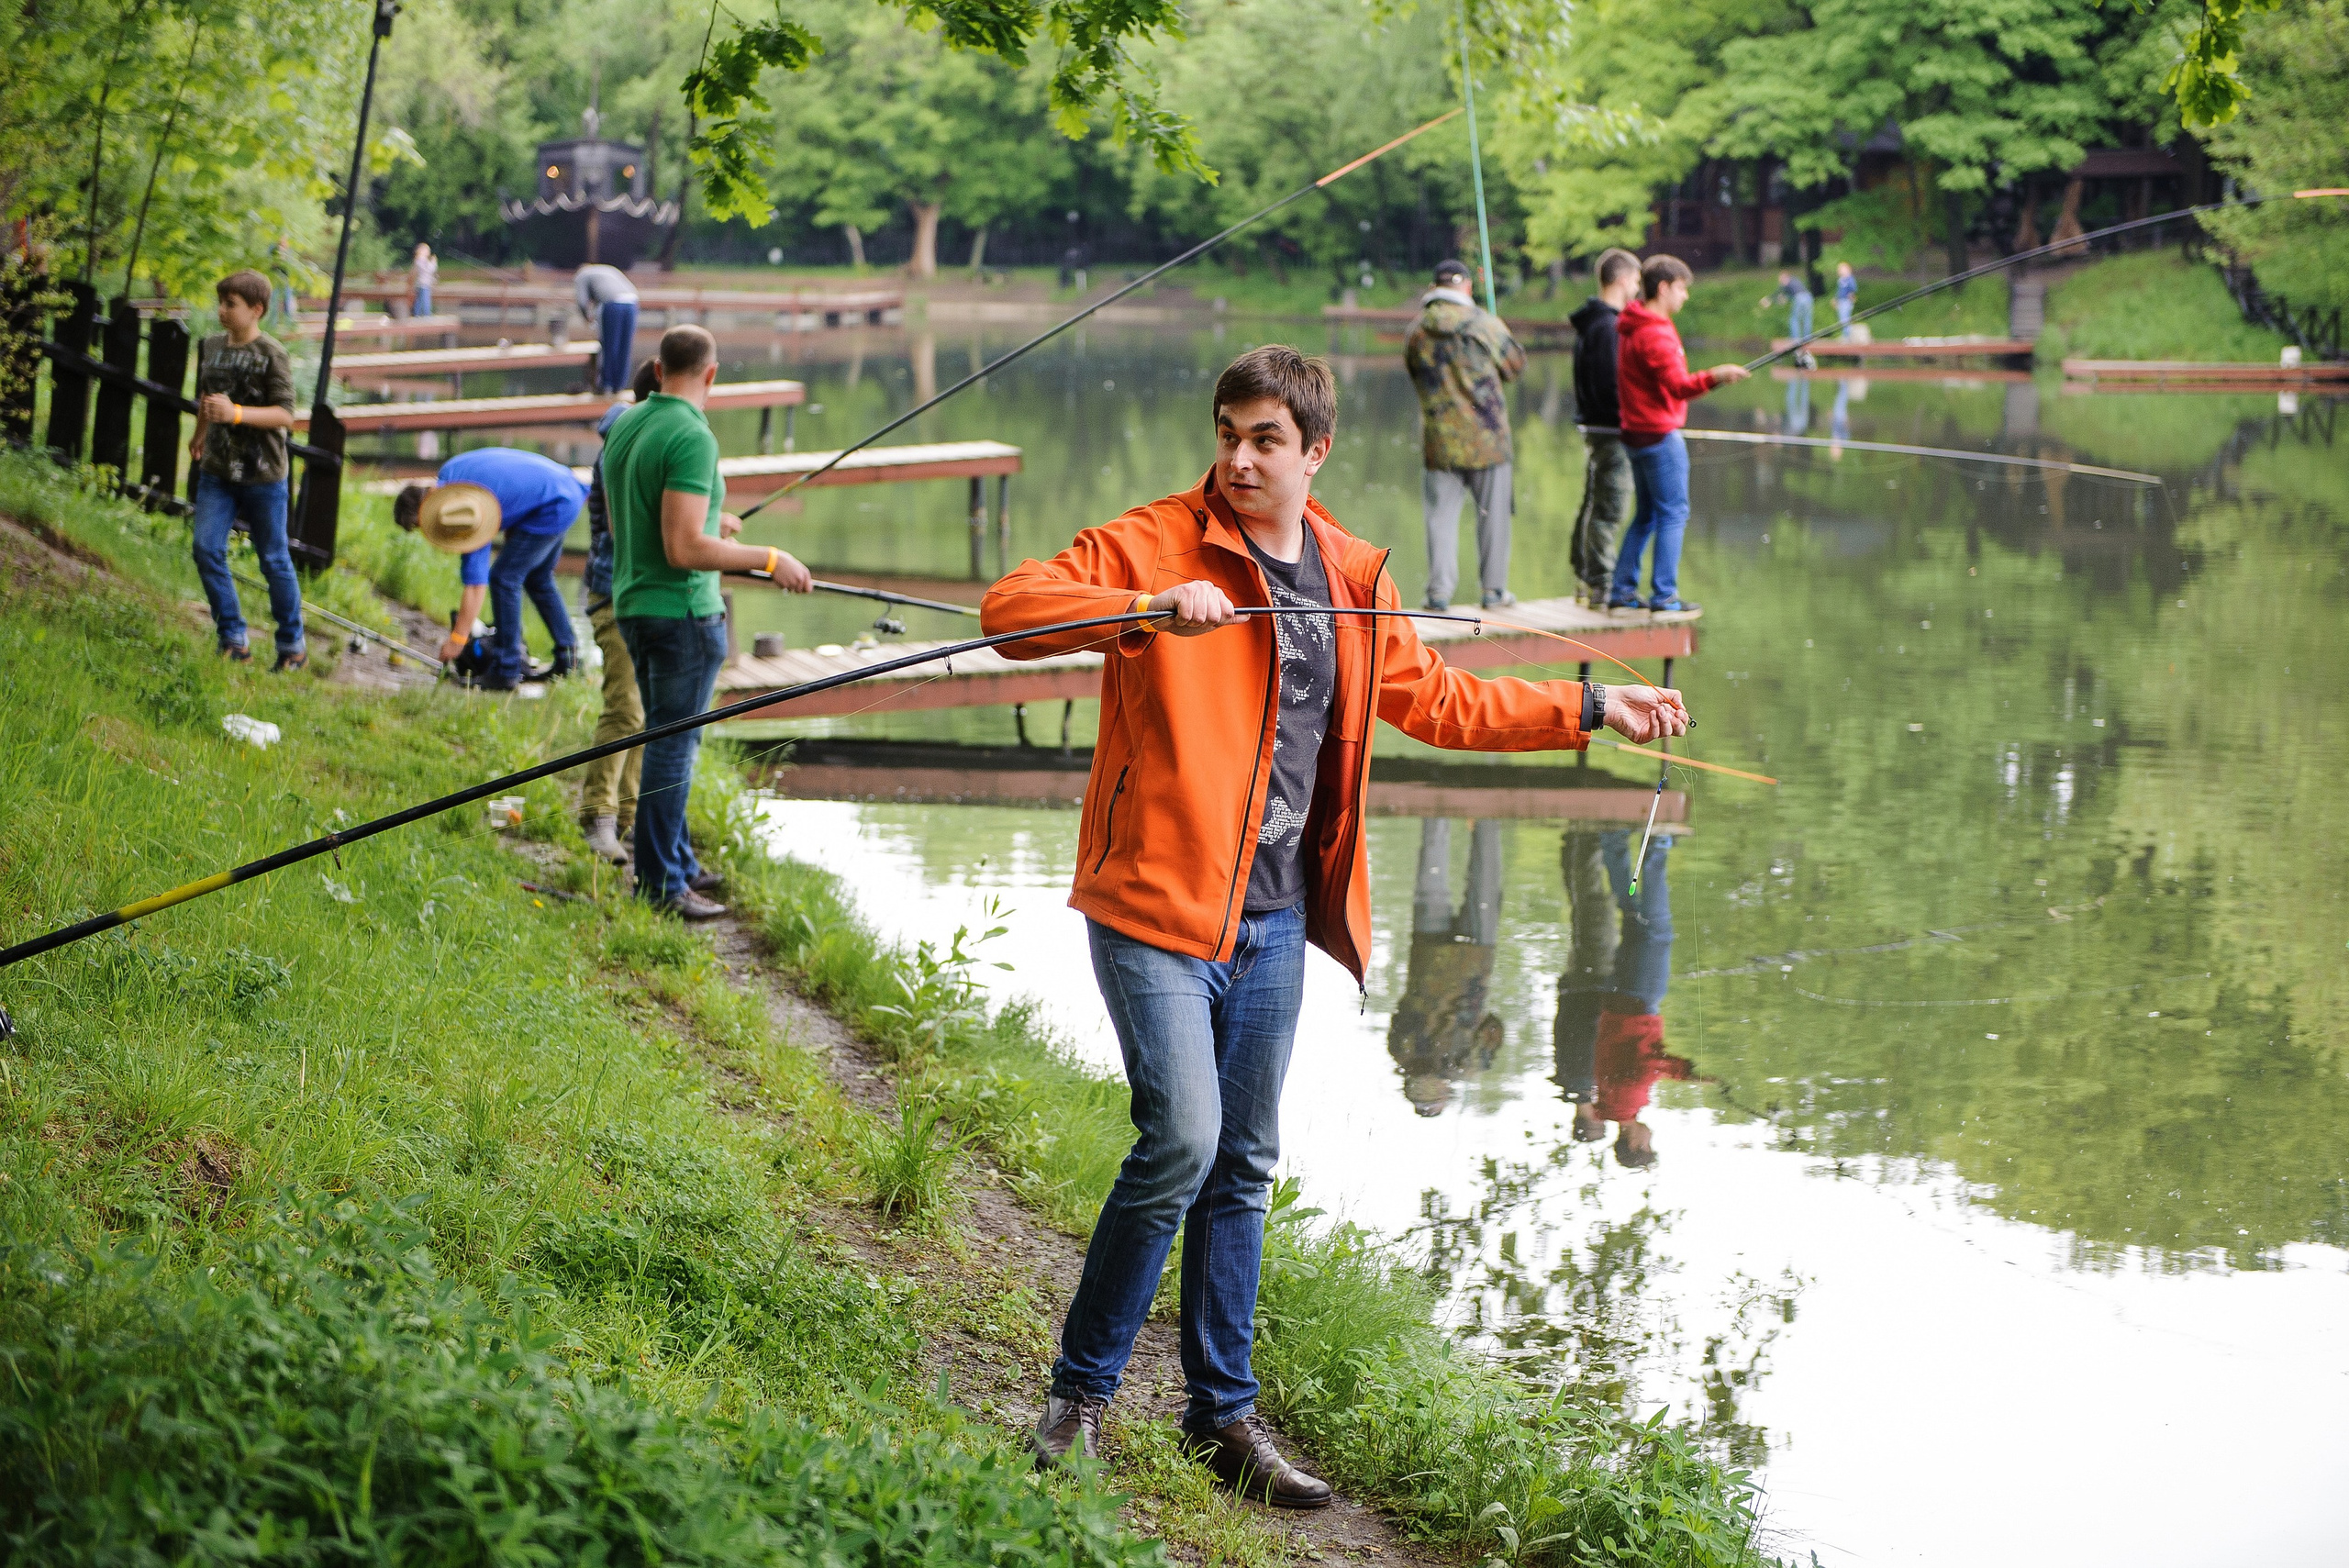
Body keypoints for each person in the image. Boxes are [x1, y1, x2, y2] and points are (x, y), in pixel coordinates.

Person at [981, 344, 1690, 1500]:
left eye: (1265, 439)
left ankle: (1222, 1418)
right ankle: (1077, 1396)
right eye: (1226, 433)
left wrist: (1596, 704)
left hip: (1271, 922)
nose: (1239, 458)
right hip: (1155, 905)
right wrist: (1145, 608)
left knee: (1244, 1163)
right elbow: (1011, 610)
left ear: (1316, 451)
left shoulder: (1352, 573)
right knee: (1181, 1141)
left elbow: (1444, 701)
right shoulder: (1157, 541)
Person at [603, 324, 812, 917]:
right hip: (681, 616)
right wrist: (771, 559)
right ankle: (661, 885)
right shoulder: (692, 435)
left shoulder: (629, 422)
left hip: (635, 605)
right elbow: (683, 551)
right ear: (712, 374)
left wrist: (709, 518)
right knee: (673, 748)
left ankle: (677, 862)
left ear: (660, 367)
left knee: (672, 740)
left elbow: (629, 524)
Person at [1609, 255, 1750, 617]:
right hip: (1658, 436)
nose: (1685, 296)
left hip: (1635, 433)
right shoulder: (1655, 331)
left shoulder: (1632, 325)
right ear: (1664, 287)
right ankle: (1664, 596)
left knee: (1647, 515)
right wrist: (1717, 375)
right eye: (1682, 288)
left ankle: (1622, 590)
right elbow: (1679, 387)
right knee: (1674, 513)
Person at [189, 270, 305, 670]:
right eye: (220, 302)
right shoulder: (211, 347)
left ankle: (292, 647)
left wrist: (236, 414)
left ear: (257, 310)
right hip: (217, 471)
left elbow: (285, 415)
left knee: (273, 560)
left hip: (264, 475)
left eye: (231, 304)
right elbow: (207, 396)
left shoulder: (272, 354)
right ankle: (233, 638)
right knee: (205, 549)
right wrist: (200, 433)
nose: (222, 311)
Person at [395, 448, 586, 691]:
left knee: (504, 578)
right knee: (538, 579)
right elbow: (504, 486)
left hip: (552, 505)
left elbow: (476, 586)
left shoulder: (462, 513)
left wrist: (457, 640)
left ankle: (507, 669)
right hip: (562, 487)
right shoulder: (451, 475)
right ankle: (568, 660)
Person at [578, 358, 662, 865]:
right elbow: (622, 524)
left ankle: (626, 821)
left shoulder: (639, 437)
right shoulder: (622, 444)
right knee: (626, 709)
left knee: (649, 715)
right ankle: (597, 816)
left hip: (645, 590)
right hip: (616, 591)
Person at [1403, 259, 1525, 611]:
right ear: (1467, 288)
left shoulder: (1416, 331)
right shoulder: (1485, 324)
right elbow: (1516, 368)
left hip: (1440, 442)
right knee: (1494, 518)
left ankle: (1438, 593)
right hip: (1489, 442)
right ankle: (1493, 592)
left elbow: (1415, 375)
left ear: (1434, 286)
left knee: (1440, 518)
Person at [1387, 819, 1505, 1116]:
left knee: (1484, 866)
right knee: (1438, 856)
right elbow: (1495, 1026)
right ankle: (1452, 795)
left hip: (1467, 958)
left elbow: (1494, 1025)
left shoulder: (1467, 1064)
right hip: (1437, 955)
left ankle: (1473, 799)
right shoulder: (1402, 1051)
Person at [1590, 829, 1691, 1169]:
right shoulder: (1606, 1102)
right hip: (1619, 1003)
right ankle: (1613, 843)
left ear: (1634, 1143)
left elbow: (1645, 1070)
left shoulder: (1624, 1105)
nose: (1651, 1139)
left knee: (1658, 930)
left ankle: (1658, 846)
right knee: (1633, 916)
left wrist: (1683, 1072)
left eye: (1648, 1146)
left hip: (1638, 1003)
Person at [1568, 248, 1641, 607]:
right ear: (1623, 279)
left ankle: (1585, 575)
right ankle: (1603, 582)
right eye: (1637, 281)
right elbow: (1611, 384)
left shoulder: (1590, 324)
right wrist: (1632, 417)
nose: (1638, 288)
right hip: (1612, 431)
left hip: (1594, 428)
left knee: (1593, 504)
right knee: (1610, 507)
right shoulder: (1609, 326)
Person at [575, 262, 640, 395]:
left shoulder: (581, 275)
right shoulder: (608, 269)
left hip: (612, 304)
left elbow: (582, 301)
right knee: (625, 346)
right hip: (632, 302)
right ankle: (619, 385)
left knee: (608, 346)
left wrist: (587, 317)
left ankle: (606, 384)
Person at [1760, 268, 1815, 369]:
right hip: (1808, 297)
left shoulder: (1788, 282)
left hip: (1800, 299)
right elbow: (1787, 295)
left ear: (1785, 277)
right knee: (1807, 320)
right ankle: (1807, 338)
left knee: (1794, 320)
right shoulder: (1795, 281)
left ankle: (1795, 339)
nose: (1781, 281)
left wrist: (1768, 299)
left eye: (1781, 279)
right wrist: (1783, 299)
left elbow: (1779, 292)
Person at [410, 241, 438, 318]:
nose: (429, 252)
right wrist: (433, 262)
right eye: (427, 250)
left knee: (420, 299)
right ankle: (426, 314)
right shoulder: (420, 260)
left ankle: (417, 313)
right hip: (423, 284)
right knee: (425, 299)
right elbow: (429, 269)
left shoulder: (421, 260)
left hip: (423, 283)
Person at [1833, 261, 1858, 337]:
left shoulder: (1850, 279)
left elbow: (1854, 288)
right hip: (1841, 301)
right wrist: (1836, 299)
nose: (1841, 271)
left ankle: (1847, 335)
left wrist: (1851, 294)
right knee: (1842, 318)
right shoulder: (1841, 280)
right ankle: (1845, 334)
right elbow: (1839, 291)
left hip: (1846, 301)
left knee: (1845, 318)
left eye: (1842, 269)